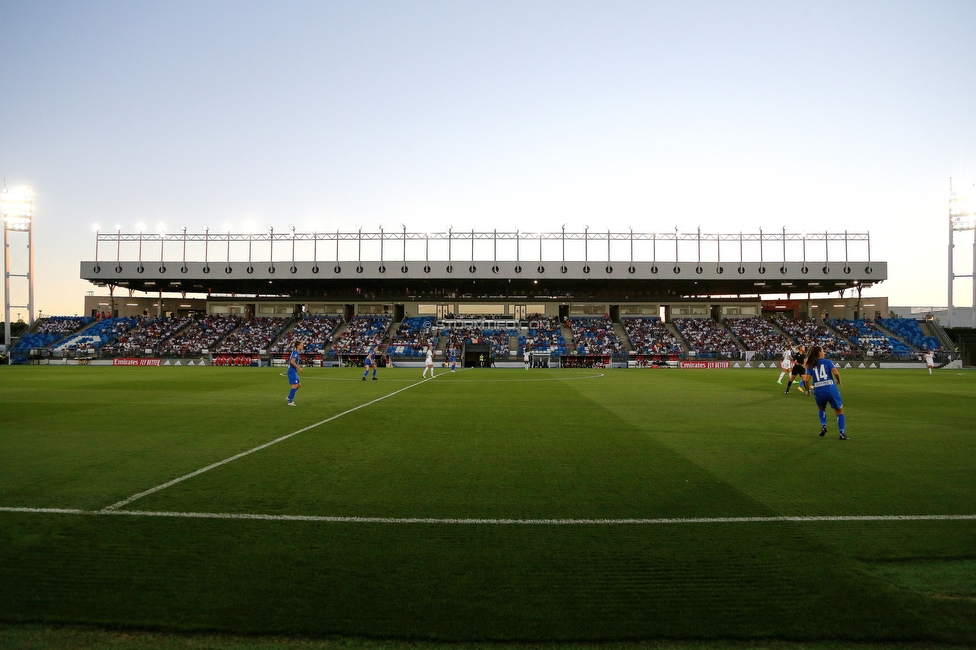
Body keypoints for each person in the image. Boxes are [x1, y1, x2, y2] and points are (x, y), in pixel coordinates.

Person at [802, 345, 847, 440]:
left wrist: (808, 391)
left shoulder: (810, 365)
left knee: (821, 408)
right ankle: (842, 433)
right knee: (839, 410)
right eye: (822, 351)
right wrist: (839, 381)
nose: (824, 352)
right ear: (819, 353)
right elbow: (836, 373)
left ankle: (823, 425)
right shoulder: (828, 362)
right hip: (830, 389)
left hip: (818, 390)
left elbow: (806, 380)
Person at [286, 342, 304, 406]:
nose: (302, 346)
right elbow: (292, 362)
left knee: (299, 385)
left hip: (294, 371)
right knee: (295, 386)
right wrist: (299, 368)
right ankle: (290, 401)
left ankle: (289, 397)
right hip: (291, 371)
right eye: (301, 345)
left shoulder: (296, 353)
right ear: (297, 346)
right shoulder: (296, 353)